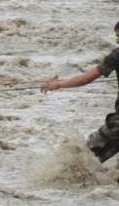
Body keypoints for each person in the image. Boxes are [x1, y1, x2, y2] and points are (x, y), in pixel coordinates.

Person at [41, 21, 119, 163]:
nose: (117, 39)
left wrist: (58, 84)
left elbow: (85, 79)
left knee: (85, 159)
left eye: (118, 35)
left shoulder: (116, 55)